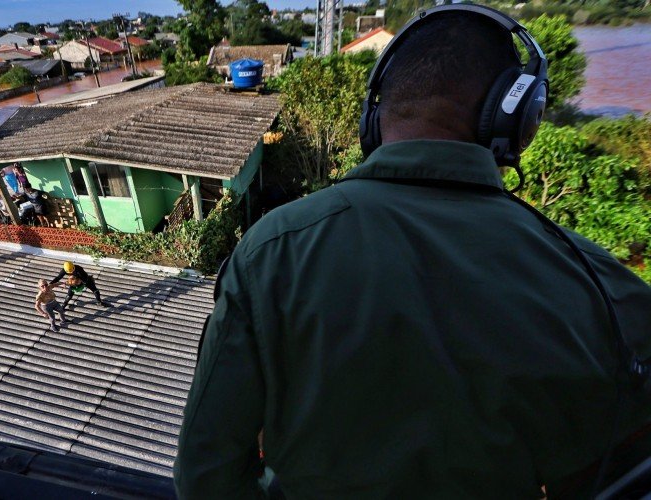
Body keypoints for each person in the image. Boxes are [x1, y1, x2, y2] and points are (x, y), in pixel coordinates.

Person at [174, 5, 651, 499]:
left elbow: (204, 478)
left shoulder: (270, 252)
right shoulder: (602, 287)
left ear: (373, 117)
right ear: (518, 119)